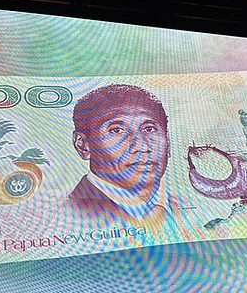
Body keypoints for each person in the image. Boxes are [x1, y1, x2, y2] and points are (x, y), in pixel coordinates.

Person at [69, 83, 180, 222]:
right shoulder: (66, 215)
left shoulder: (190, 206)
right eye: (117, 130)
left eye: (149, 129)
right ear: (83, 145)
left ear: (168, 142)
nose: (141, 146)